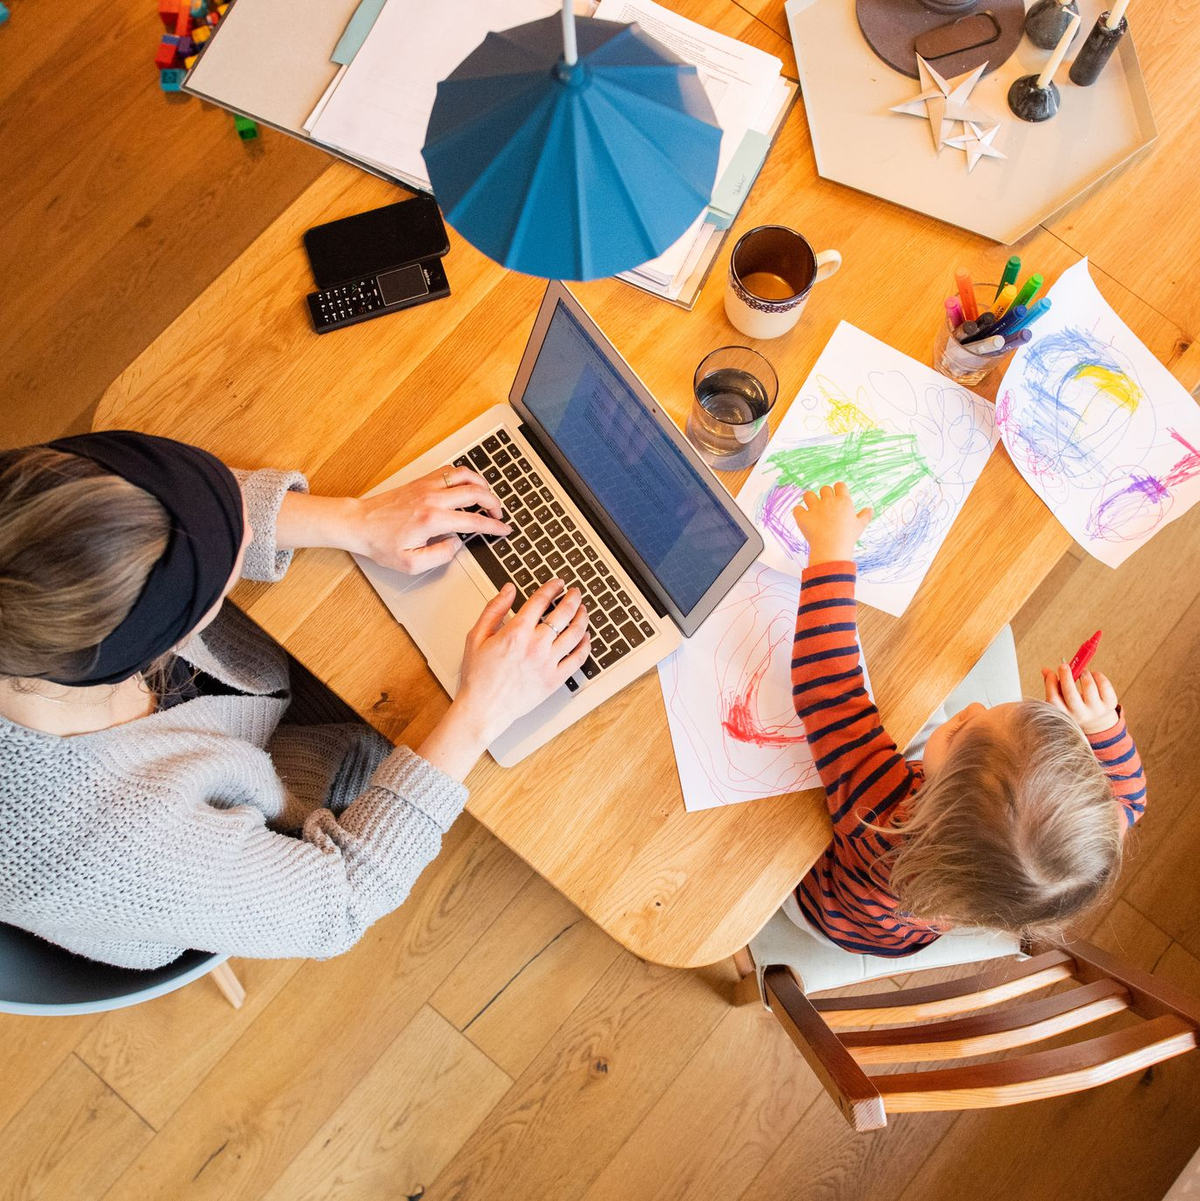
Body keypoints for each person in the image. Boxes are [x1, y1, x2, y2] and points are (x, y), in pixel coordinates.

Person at [0, 432, 590, 969]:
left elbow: (164, 515)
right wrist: (481, 709)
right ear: (158, 644)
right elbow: (340, 906)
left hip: (255, 704)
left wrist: (352, 520)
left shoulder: (26, 518)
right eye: (225, 565)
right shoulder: (108, 853)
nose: (253, 530)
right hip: (278, 810)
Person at [785, 482, 1145, 956]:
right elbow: (1129, 796)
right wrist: (1101, 726)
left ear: (927, 802)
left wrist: (831, 554)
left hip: (824, 906)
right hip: (909, 927)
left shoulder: (881, 807)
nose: (971, 707)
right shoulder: (1082, 849)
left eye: (957, 731)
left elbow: (829, 688)